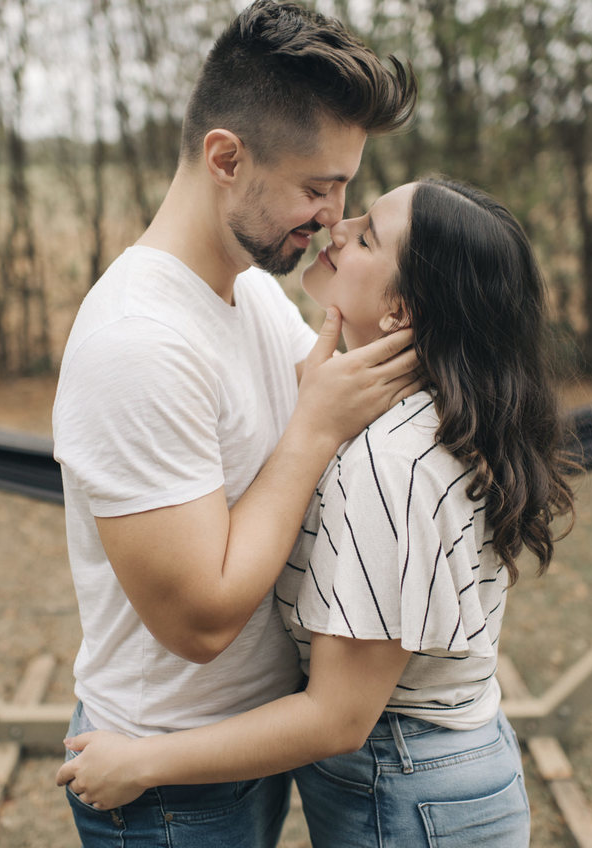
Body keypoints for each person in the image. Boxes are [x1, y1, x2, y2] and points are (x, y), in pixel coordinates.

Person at [56, 178, 578, 848]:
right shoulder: (421, 417)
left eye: (366, 236)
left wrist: (140, 763)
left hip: (405, 782)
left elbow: (337, 719)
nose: (339, 225)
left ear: (401, 311)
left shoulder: (391, 464)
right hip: (426, 773)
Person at [50, 2, 418, 845]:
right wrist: (314, 430)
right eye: (316, 187)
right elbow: (200, 623)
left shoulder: (249, 289)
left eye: (345, 188)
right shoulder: (138, 341)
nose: (333, 214)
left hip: (235, 755)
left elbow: (341, 395)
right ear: (225, 157)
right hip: (165, 784)